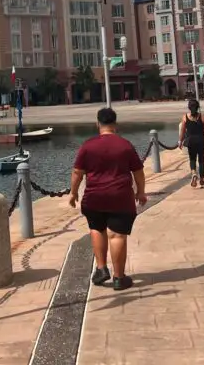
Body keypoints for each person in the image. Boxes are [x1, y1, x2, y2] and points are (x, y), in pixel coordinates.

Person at [69, 107, 147, 291]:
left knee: (97, 228)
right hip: (120, 197)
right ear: (115, 125)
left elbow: (77, 173)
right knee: (117, 235)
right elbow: (138, 172)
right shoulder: (125, 145)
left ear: (98, 124)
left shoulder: (88, 145)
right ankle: (119, 278)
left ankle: (101, 268)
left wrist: (73, 193)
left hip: (94, 197)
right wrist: (141, 192)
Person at [178, 99, 204, 188]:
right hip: (201, 140)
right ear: (198, 107)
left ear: (189, 107)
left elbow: (182, 130)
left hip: (190, 141)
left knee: (192, 159)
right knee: (201, 161)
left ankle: (193, 173)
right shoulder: (203, 116)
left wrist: (180, 141)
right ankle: (201, 179)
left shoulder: (185, 117)